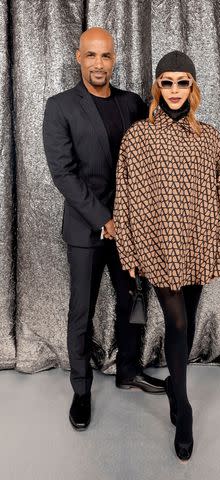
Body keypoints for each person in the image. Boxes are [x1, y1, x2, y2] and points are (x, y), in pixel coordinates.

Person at [42, 27, 165, 432]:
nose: (98, 64)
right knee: (81, 309)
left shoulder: (131, 103)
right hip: (87, 227)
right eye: (91, 56)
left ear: (114, 59)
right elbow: (64, 173)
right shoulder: (59, 107)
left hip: (130, 227)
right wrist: (104, 219)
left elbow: (151, 153)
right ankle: (81, 389)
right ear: (79, 57)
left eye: (106, 56)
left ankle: (128, 370)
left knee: (132, 300)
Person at [113, 50, 220, 461]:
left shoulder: (211, 138)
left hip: (197, 245)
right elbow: (126, 197)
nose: (176, 90)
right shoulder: (138, 137)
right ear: (157, 87)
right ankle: (183, 409)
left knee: (189, 322)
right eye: (168, 82)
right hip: (158, 246)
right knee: (177, 323)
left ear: (193, 86)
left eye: (183, 82)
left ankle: (177, 395)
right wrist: (128, 248)